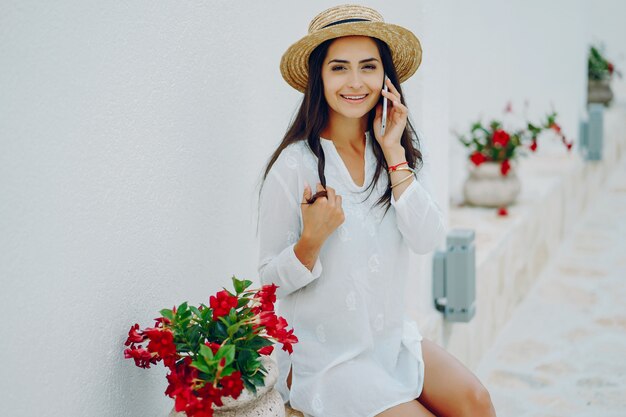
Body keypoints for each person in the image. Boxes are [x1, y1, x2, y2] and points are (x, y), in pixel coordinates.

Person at [257, 5, 496, 417]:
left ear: (386, 78)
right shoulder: (294, 166)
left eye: (368, 67)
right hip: (328, 359)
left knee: (476, 402)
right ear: (320, 78)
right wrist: (310, 242)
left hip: (390, 340)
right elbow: (266, 287)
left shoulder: (398, 153)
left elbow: (427, 239)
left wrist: (394, 154)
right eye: (339, 68)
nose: (355, 82)